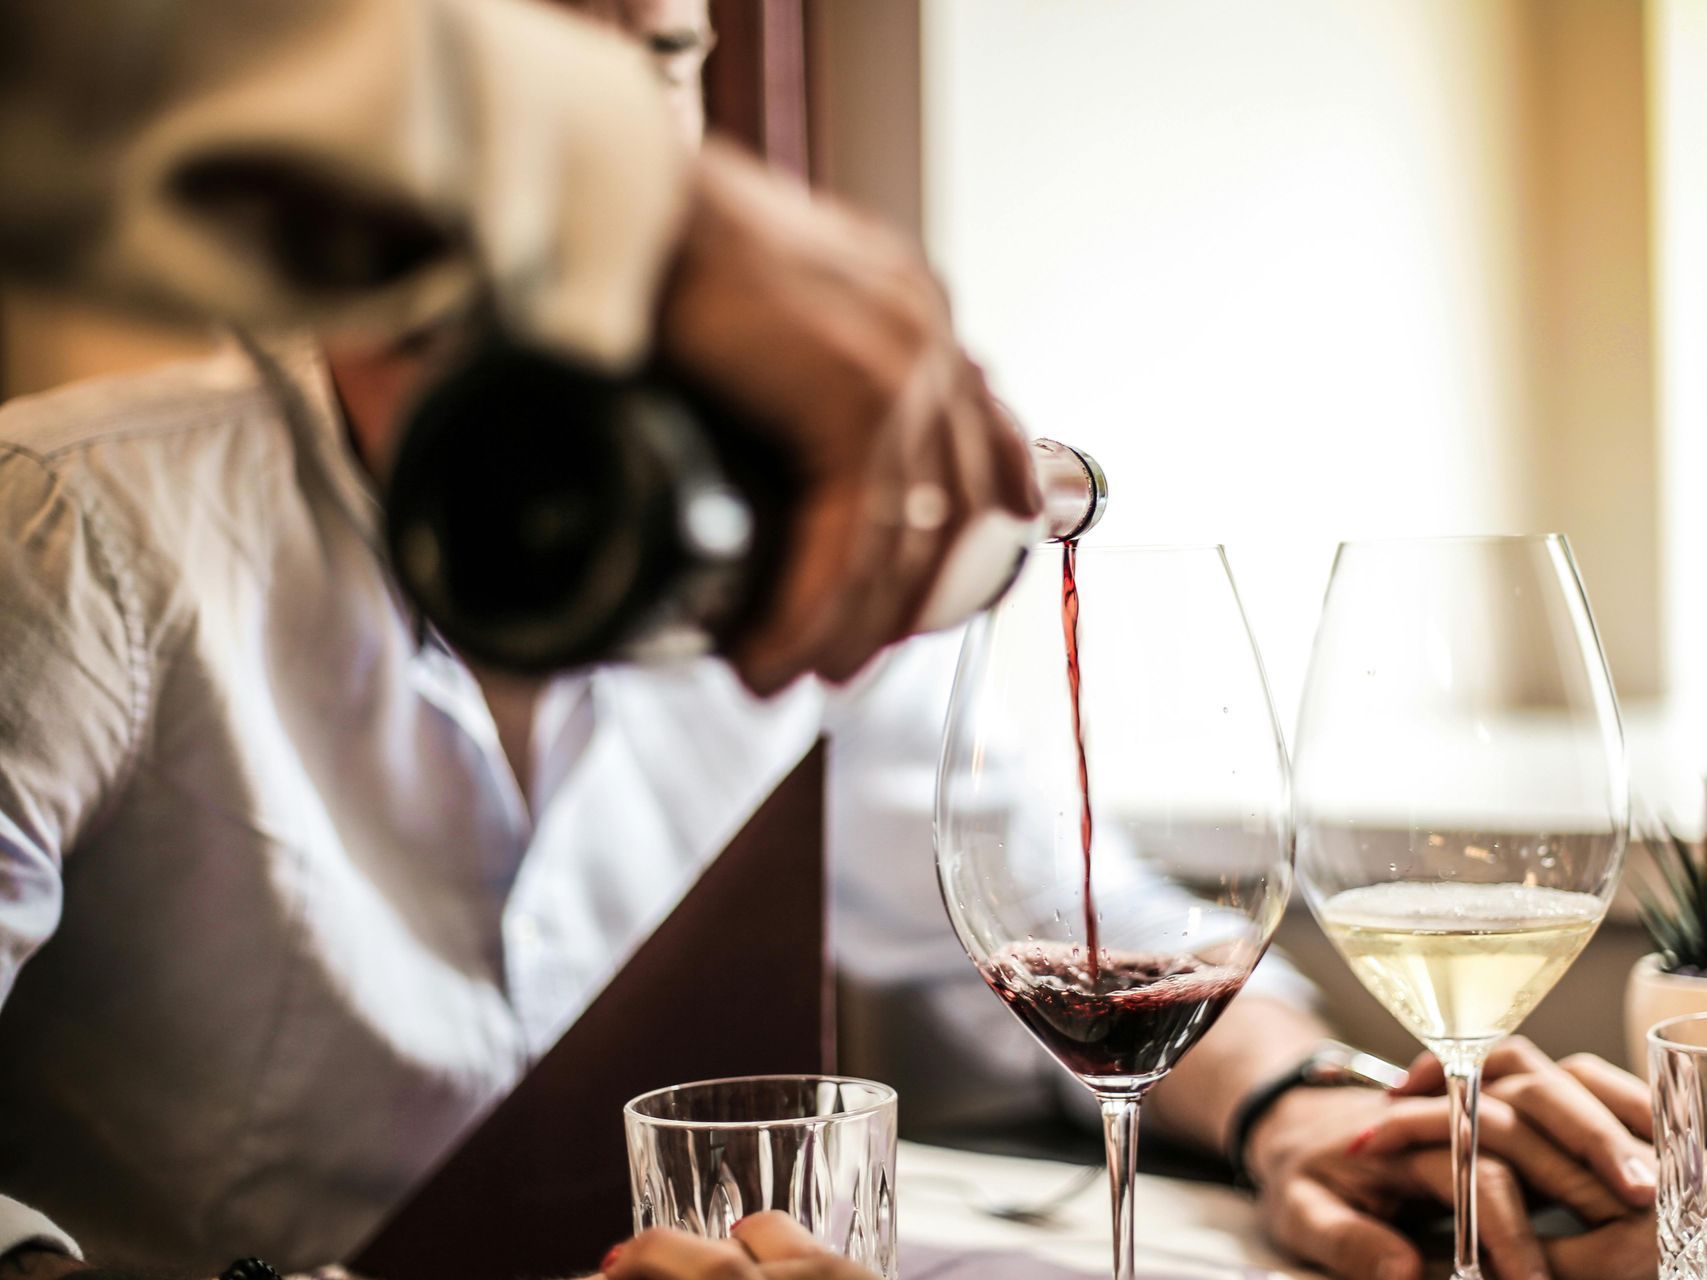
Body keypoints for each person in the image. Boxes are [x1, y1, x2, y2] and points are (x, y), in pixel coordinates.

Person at [0, 7, 1660, 1280]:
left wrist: (1308, 1113)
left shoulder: (794, 533)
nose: (615, 144)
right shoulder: (69, 527)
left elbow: (1044, 923)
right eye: (516, 60)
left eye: (658, 52)